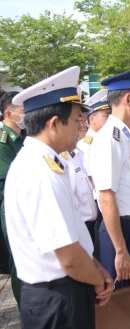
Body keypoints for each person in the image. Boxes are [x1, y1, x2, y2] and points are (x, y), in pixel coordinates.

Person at [5, 66, 112, 329]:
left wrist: (96, 266)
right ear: (54, 123)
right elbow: (68, 256)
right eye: (77, 120)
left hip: (66, 287)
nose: (81, 127)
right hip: (58, 296)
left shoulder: (48, 163)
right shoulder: (40, 172)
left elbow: (72, 233)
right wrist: (98, 282)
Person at [91, 65, 130, 288]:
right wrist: (120, 250)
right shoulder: (110, 139)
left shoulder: (123, 135)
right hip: (123, 230)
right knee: (124, 300)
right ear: (128, 99)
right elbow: (106, 198)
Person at [78, 89, 111, 260]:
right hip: (97, 200)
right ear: (92, 119)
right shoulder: (85, 143)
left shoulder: (103, 138)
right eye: (106, 115)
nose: (109, 119)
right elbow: (91, 177)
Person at [0, 91, 24, 306]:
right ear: (8, 113)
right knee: (18, 257)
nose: (26, 116)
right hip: (11, 206)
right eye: (22, 112)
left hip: (27, 203)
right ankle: (24, 305)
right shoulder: (3, 141)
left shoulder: (24, 139)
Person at [60, 110, 97, 240]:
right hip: (78, 227)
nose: (83, 125)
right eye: (78, 121)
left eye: (83, 120)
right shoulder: (61, 158)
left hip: (91, 224)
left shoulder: (78, 153)